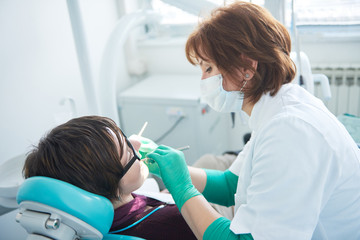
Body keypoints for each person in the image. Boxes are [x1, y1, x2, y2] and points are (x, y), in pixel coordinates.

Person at [145, 2, 360, 240]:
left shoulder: (290, 132)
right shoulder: (274, 109)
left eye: (208, 68)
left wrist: (182, 188)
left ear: (246, 68)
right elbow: (230, 186)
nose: (204, 79)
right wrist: (174, 170)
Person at [23, 116, 196, 240]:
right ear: (110, 186)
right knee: (209, 161)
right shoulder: (177, 221)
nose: (138, 144)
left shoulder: (86, 227)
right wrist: (185, 190)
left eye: (126, 139)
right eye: (128, 152)